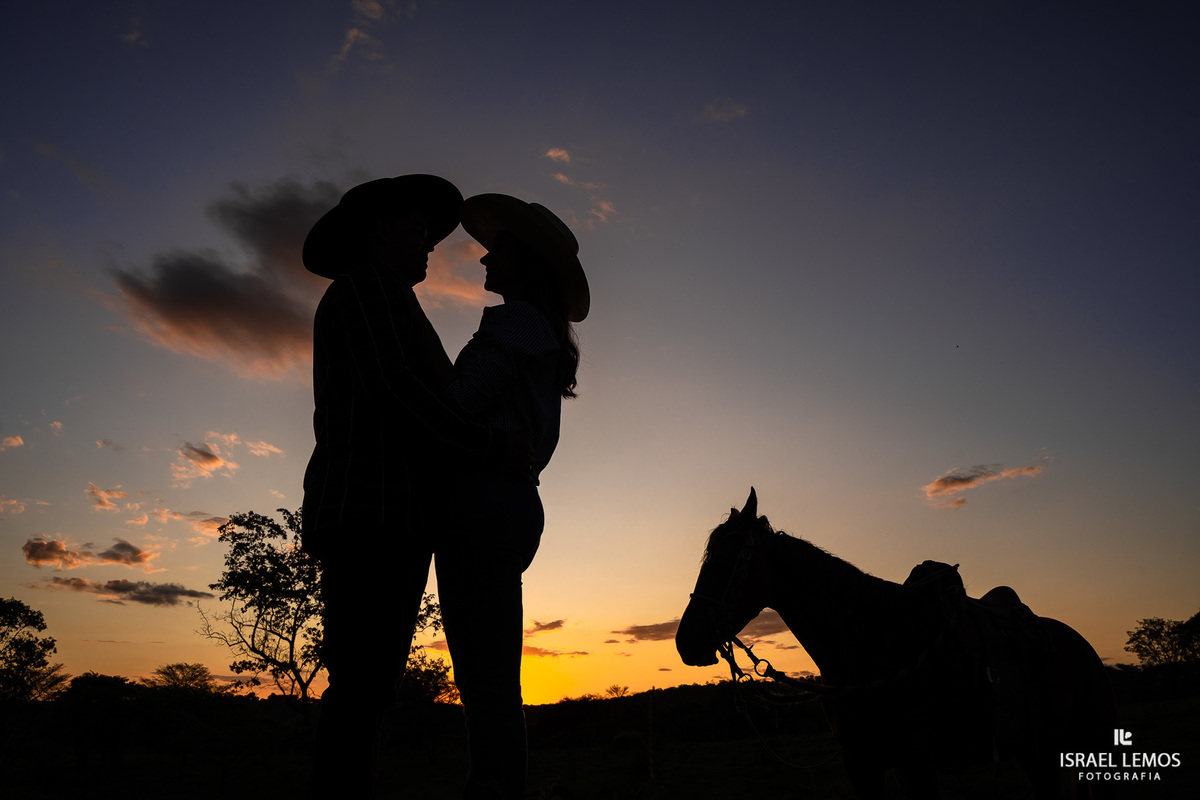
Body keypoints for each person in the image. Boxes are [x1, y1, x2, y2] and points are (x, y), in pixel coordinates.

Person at [300, 175, 509, 797]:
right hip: (370, 509)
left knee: (368, 683)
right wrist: (489, 445)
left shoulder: (387, 295)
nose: (427, 244)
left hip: (389, 511)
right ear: (379, 231)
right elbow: (397, 391)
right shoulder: (366, 287)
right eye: (416, 230)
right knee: (363, 683)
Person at [424, 194, 588, 800]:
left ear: (527, 262)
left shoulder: (516, 322)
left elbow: (460, 406)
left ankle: (494, 788)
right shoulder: (534, 327)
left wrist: (421, 368)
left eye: (501, 246)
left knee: (484, 676)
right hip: (505, 504)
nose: (487, 255)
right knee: (487, 673)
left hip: (486, 502)